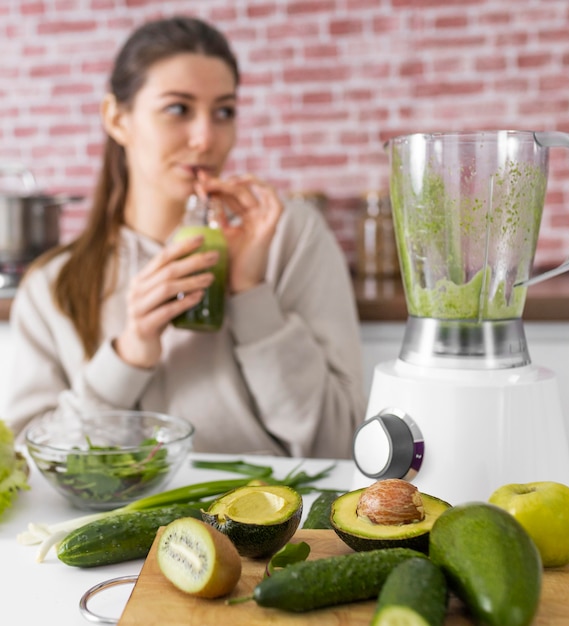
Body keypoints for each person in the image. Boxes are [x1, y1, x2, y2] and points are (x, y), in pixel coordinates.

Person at [5, 15, 365, 459]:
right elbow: (28, 466)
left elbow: (339, 446)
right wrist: (128, 353)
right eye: (178, 109)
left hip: (273, 522)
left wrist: (251, 295)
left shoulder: (290, 237)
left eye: (224, 112)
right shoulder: (50, 288)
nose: (206, 138)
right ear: (117, 119)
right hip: (125, 527)